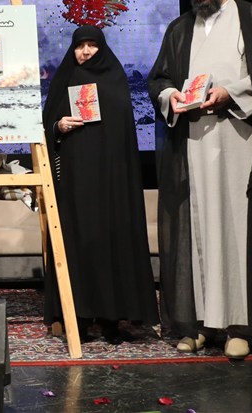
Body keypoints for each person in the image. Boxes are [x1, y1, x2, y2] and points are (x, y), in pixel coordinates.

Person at [147, 0, 252, 359]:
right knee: (195, 230)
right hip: (191, 146)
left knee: (234, 229)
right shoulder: (179, 29)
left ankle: (237, 326)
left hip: (237, 141)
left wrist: (231, 92)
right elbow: (159, 78)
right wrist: (172, 97)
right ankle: (198, 325)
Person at [42, 24, 160, 344]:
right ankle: (78, 317)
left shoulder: (115, 78)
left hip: (110, 181)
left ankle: (111, 318)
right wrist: (58, 125)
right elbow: (47, 125)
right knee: (78, 242)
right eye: (80, 46)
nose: (86, 51)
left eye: (92, 45)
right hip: (75, 180)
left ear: (101, 47)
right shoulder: (64, 78)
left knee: (109, 242)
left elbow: (123, 132)